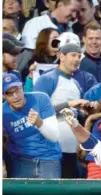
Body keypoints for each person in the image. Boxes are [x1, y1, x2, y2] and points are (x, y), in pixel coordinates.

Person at [33, 44, 91, 178]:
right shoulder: (47, 79)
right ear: (61, 56)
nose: (77, 59)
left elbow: (73, 115)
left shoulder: (76, 84)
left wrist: (85, 111)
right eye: (73, 55)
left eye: (79, 56)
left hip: (73, 149)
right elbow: (36, 112)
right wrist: (68, 104)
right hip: (52, 150)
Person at [3, 73, 62, 178]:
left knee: (50, 194)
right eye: (9, 93)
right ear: (3, 95)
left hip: (49, 158)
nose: (15, 96)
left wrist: (39, 123)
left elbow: (54, 136)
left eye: (17, 90)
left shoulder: (41, 98)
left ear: (22, 87)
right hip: (20, 161)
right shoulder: (3, 112)